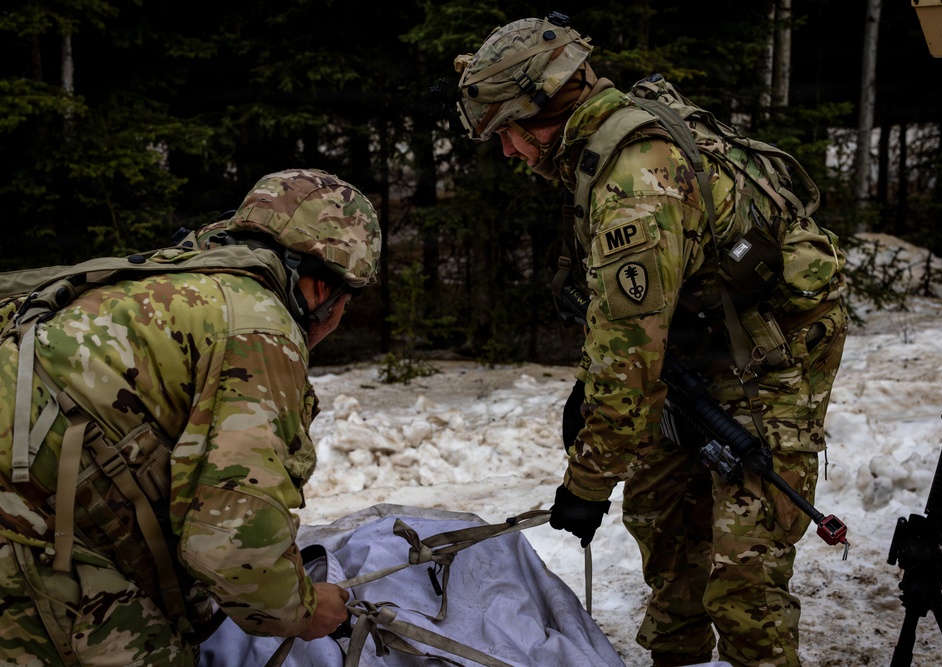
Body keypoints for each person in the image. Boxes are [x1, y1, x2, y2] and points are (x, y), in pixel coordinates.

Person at [454, 15, 847, 667]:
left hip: (771, 354)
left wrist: (584, 485)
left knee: (743, 578)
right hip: (697, 343)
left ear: (542, 110)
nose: (507, 154)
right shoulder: (600, 148)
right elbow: (625, 336)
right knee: (667, 535)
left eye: (506, 135)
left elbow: (627, 368)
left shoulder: (635, 183)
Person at [0, 168, 381, 666]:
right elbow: (231, 542)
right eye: (344, 305)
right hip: (24, 540)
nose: (336, 322)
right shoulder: (258, 328)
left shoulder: (178, 281)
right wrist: (306, 610)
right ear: (320, 288)